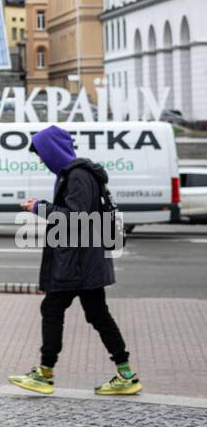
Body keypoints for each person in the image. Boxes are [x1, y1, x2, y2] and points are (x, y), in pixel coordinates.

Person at [8, 124, 140, 397]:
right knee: (97, 314)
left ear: (53, 150)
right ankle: (126, 374)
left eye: (42, 154)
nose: (41, 160)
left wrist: (39, 207)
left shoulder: (78, 175)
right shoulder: (77, 173)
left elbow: (73, 217)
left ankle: (45, 374)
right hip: (85, 260)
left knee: (53, 309)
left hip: (78, 262)